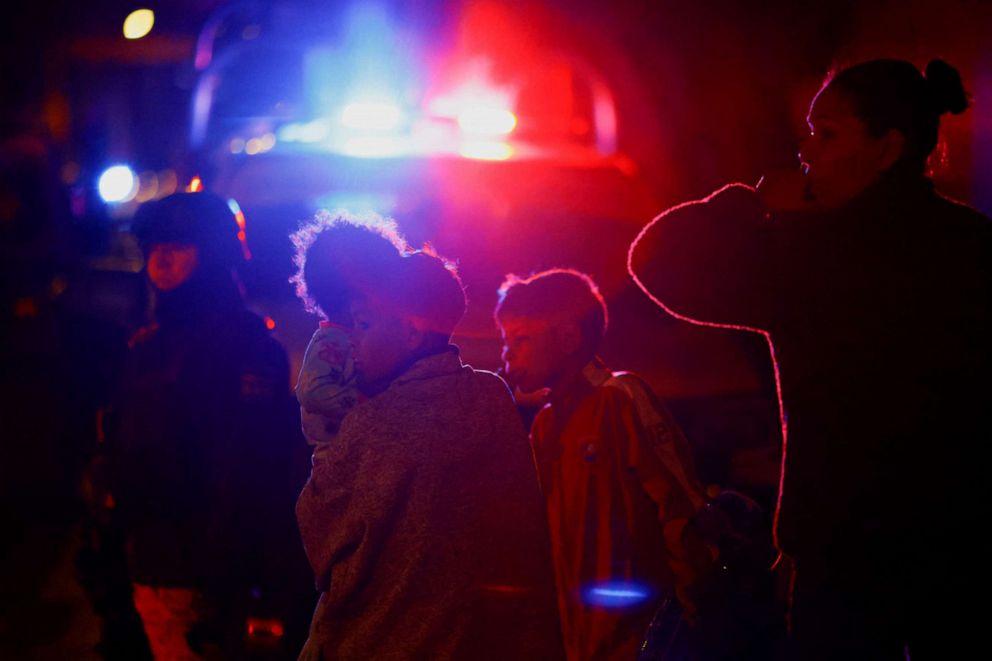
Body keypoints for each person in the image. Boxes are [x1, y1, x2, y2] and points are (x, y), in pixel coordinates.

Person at [628, 58, 991, 659]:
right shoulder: (975, 244)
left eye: (829, 135)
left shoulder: (809, 255)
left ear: (887, 147)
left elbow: (656, 260)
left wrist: (752, 202)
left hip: (840, 556)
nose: (806, 150)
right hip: (961, 545)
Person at [295, 249, 564, 659]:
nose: (354, 341)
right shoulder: (492, 398)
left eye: (364, 325)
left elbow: (321, 538)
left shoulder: (375, 420)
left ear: (412, 332)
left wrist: (325, 439)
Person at [106, 191, 303, 659]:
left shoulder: (248, 347)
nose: (162, 258)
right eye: (153, 245)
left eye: (179, 244)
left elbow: (255, 461)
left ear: (213, 254)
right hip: (149, 558)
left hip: (209, 562)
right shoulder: (144, 343)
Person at [494, 268, 711, 661]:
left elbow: (681, 505)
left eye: (521, 339)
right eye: (506, 342)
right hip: (577, 640)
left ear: (569, 338)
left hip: (643, 637)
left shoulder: (621, 398)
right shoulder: (544, 426)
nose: (507, 354)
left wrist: (697, 607)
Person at [289, 211, 409, 467]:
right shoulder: (331, 341)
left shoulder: (357, 336)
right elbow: (313, 391)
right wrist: (368, 406)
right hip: (336, 457)